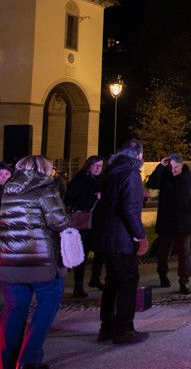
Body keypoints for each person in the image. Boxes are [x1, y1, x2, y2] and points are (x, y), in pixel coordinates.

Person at [0, 156, 70, 368]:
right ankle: (28, 360)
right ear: (44, 169)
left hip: (10, 261)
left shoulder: (8, 189)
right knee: (49, 301)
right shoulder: (44, 187)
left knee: (14, 309)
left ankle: (6, 362)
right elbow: (58, 222)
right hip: (41, 261)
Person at [94, 139, 149, 345]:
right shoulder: (131, 173)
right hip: (122, 239)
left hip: (107, 237)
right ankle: (124, 329)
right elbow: (129, 210)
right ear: (139, 155)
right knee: (128, 281)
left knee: (112, 282)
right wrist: (140, 236)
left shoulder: (111, 172)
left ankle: (107, 327)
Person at [145, 153, 191, 295]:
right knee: (163, 252)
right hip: (166, 220)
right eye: (171, 167)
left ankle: (184, 281)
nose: (173, 170)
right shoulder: (164, 175)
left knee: (184, 253)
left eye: (176, 167)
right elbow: (151, 183)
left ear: (182, 164)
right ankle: (162, 274)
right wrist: (161, 166)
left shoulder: (190, 177)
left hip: (183, 220)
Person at [64, 155, 106, 297]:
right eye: (96, 165)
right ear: (89, 165)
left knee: (100, 251)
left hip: (98, 221)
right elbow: (69, 199)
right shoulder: (80, 179)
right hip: (83, 223)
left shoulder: (101, 179)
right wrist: (93, 197)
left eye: (101, 166)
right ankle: (78, 286)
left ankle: (95, 278)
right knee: (82, 253)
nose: (98, 168)